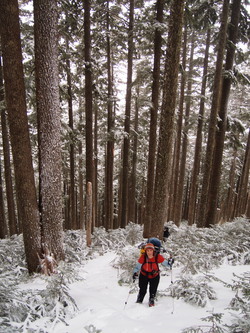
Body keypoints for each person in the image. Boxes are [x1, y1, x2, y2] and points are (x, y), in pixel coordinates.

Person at [132, 242, 173, 307]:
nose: (149, 252)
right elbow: (138, 267)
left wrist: (170, 262)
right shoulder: (143, 257)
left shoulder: (157, 257)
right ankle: (139, 301)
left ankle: (151, 300)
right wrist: (135, 273)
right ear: (145, 251)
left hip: (155, 276)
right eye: (147, 251)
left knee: (153, 290)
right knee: (142, 289)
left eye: (150, 250)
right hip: (144, 275)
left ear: (153, 250)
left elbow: (166, 264)